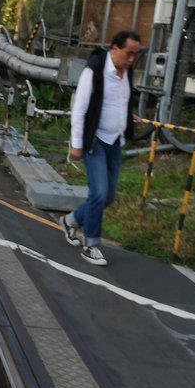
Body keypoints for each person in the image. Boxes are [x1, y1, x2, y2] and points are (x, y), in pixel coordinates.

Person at [61, 29, 141, 266]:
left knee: (108, 196)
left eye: (135, 54)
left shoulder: (126, 71)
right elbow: (80, 109)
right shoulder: (94, 71)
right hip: (94, 140)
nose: (132, 59)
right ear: (114, 48)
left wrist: (127, 117)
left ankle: (71, 221)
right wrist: (76, 145)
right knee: (98, 193)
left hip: (115, 140)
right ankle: (91, 245)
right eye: (128, 53)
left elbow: (119, 101)